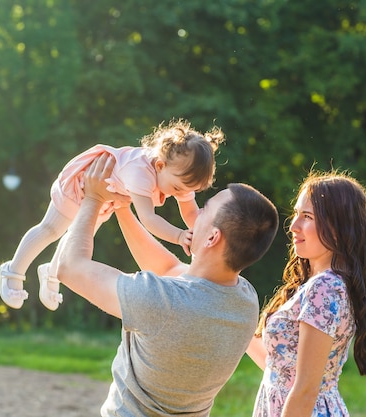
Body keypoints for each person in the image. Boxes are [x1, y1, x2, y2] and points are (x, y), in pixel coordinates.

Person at [56, 154, 279, 416]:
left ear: (212, 238)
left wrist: (93, 199)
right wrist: (123, 208)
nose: (195, 213)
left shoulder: (162, 301)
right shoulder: (245, 299)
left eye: (204, 210)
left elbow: (69, 268)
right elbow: (169, 270)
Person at [0, 119, 225, 310]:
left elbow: (191, 211)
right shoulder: (140, 173)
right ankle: (13, 270)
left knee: (77, 239)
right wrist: (178, 236)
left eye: (190, 191)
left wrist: (203, 233)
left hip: (106, 198)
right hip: (81, 184)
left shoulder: (180, 177)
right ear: (159, 165)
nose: (182, 195)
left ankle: (52, 273)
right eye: (177, 189)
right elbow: (148, 219)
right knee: (52, 229)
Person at [246, 170, 366, 417]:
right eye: (296, 214)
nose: (293, 226)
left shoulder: (325, 289)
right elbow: (279, 367)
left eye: (307, 217)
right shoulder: (320, 285)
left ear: (338, 229)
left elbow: (306, 390)